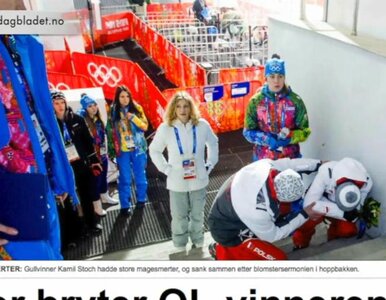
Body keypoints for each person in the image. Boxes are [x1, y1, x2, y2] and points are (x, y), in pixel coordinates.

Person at [0, 35, 78, 259]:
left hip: (38, 183)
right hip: (11, 197)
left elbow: (37, 115)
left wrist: (56, 174)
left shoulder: (17, 41)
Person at [208, 158, 324, 260]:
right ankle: (221, 250)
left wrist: (319, 164)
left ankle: (300, 243)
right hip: (229, 233)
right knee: (278, 260)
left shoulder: (265, 167)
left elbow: (289, 164)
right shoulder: (258, 212)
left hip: (232, 210)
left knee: (292, 215)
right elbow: (273, 236)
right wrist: (304, 214)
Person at [149, 91, 219, 253]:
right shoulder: (166, 128)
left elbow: (213, 143)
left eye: (186, 106)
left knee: (197, 213)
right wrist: (166, 169)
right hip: (177, 180)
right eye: (179, 106)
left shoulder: (202, 125)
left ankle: (198, 239)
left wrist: (210, 164)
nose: (182, 110)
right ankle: (180, 242)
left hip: (199, 178)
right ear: (173, 108)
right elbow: (154, 150)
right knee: (179, 215)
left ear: (191, 108)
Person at [51, 90, 103, 241]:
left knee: (86, 193)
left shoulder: (77, 119)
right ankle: (74, 231)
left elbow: (88, 142)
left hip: (80, 163)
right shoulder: (50, 123)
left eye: (62, 102)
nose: (60, 106)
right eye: (56, 103)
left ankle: (91, 223)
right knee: (67, 198)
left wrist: (93, 161)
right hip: (63, 167)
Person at [292, 157, 373, 249]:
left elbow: (357, 208)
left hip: (343, 209)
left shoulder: (367, 183)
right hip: (323, 203)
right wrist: (341, 213)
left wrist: (350, 213)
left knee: (348, 230)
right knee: (307, 220)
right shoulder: (326, 171)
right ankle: (300, 242)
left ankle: (332, 240)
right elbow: (309, 205)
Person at [243, 54, 311, 161]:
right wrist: (266, 139)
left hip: (290, 159)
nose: (276, 81)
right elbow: (247, 132)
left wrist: (290, 137)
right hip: (263, 159)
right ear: (266, 78)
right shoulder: (255, 102)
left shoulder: (295, 101)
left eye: (280, 76)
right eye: (272, 76)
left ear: (284, 77)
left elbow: (305, 131)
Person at [106, 85, 149, 216]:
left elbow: (145, 127)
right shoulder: (113, 111)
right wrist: (112, 151)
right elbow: (109, 132)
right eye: (122, 96)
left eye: (127, 96)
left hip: (138, 149)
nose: (125, 99)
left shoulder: (137, 108)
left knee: (140, 175)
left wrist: (133, 118)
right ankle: (125, 205)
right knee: (124, 178)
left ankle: (141, 199)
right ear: (117, 98)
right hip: (123, 151)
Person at [78, 94, 119, 217]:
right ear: (85, 108)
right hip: (92, 157)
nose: (94, 108)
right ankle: (96, 206)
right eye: (90, 106)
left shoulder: (98, 119)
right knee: (95, 181)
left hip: (102, 154)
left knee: (102, 178)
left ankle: (105, 196)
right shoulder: (83, 121)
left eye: (94, 105)